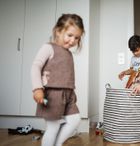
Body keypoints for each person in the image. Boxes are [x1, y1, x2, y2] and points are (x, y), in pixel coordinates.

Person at [31, 14, 84, 146]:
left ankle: (57, 144)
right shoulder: (49, 48)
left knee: (75, 119)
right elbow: (35, 66)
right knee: (53, 128)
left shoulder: (69, 53)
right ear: (58, 31)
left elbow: (66, 76)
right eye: (70, 35)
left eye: (77, 38)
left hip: (68, 95)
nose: (73, 40)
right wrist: (37, 88)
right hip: (52, 94)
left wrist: (71, 92)